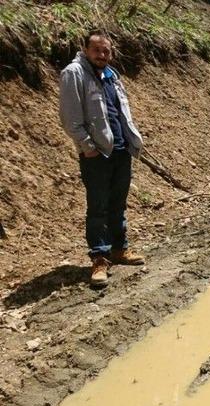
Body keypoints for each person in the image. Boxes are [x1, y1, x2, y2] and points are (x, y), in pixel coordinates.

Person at [59, 30, 145, 287]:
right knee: (98, 207)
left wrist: (131, 141)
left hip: (120, 150)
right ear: (86, 50)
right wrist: (87, 147)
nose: (102, 54)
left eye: (106, 50)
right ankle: (99, 258)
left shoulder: (111, 75)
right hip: (97, 154)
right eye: (97, 50)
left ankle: (119, 249)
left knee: (118, 203)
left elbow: (120, 112)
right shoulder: (74, 73)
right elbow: (70, 117)